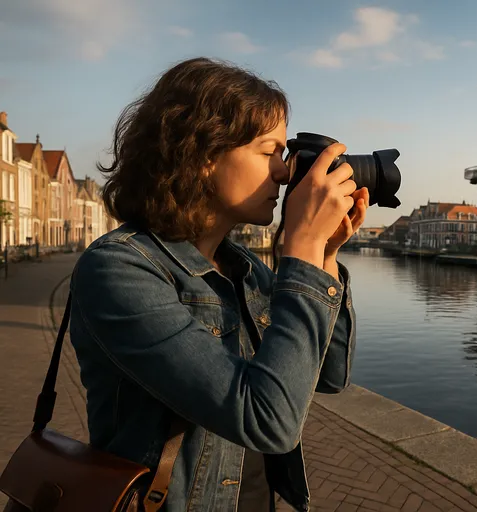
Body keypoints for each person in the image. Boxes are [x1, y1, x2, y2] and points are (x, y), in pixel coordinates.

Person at [68, 57, 369, 511]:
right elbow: (268, 421)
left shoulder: (243, 266)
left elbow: (328, 375)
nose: (285, 172)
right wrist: (300, 247)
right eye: (269, 151)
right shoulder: (119, 270)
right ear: (204, 155)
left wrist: (322, 256)